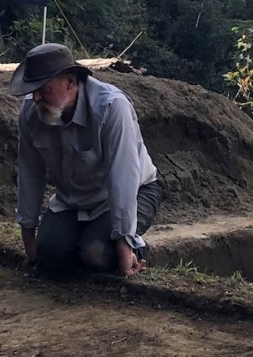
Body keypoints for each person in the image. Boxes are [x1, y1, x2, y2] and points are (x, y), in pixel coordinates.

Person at [11, 43, 162, 277]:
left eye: (44, 88)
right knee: (49, 253)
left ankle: (137, 249)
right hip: (74, 201)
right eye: (33, 89)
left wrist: (123, 242)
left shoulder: (112, 107)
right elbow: (30, 172)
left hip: (132, 193)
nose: (36, 97)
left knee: (95, 255)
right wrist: (29, 236)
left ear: (70, 82)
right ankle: (85, 239)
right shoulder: (31, 113)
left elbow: (123, 177)